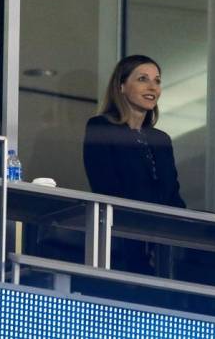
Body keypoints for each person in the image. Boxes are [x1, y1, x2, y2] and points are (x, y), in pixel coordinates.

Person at [82, 54, 185, 275]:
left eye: (157, 80)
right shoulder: (101, 127)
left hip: (162, 248)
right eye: (142, 79)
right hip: (121, 241)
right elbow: (105, 186)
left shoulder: (161, 139)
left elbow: (173, 196)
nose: (152, 86)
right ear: (121, 86)